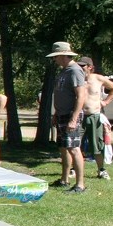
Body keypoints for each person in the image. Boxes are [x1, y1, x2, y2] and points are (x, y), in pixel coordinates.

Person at [46, 41, 87, 193]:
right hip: (62, 114)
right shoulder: (64, 71)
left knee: (74, 148)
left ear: (63, 55)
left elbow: (81, 96)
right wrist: (56, 113)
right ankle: (64, 179)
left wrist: (74, 118)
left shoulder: (75, 71)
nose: (54, 60)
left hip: (71, 115)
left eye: (55, 57)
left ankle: (80, 185)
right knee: (64, 148)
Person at [77, 57, 113, 180]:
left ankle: (101, 170)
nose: (81, 68)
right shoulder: (77, 79)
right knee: (75, 145)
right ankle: (74, 169)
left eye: (83, 66)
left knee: (97, 145)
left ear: (90, 67)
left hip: (94, 116)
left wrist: (105, 102)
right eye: (79, 66)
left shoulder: (98, 78)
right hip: (79, 116)